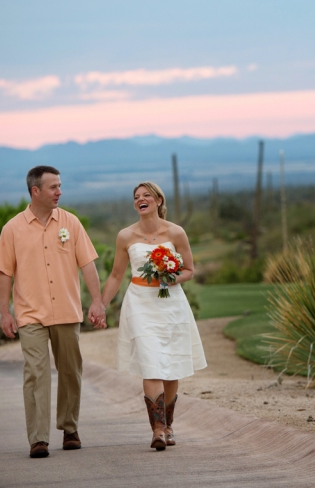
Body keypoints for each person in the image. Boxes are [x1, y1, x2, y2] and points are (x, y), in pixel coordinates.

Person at [0, 165, 107, 459]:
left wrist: (97, 301)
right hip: (30, 314)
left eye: (59, 186)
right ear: (35, 191)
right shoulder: (12, 229)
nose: (60, 191)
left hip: (67, 311)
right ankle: (38, 439)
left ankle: (70, 429)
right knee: (35, 374)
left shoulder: (71, 222)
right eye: (53, 187)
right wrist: (5, 312)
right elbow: (4, 274)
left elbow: (88, 264)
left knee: (71, 372)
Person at [100, 181, 206, 450]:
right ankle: (157, 429)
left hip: (171, 304)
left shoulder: (176, 232)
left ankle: (169, 425)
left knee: (170, 366)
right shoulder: (125, 236)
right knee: (151, 362)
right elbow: (115, 275)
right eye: (136, 197)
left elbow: (189, 270)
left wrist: (171, 277)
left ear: (159, 200)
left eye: (146, 195)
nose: (140, 199)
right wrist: (100, 305)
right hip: (140, 304)